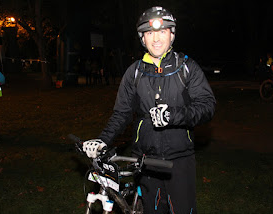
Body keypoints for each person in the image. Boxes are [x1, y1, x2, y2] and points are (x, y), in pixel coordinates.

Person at [82, 6, 216, 214]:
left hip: (179, 162)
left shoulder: (187, 68)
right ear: (142, 38)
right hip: (144, 161)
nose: (156, 39)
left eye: (162, 31)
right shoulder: (134, 72)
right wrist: (103, 140)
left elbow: (207, 106)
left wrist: (173, 115)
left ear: (172, 36)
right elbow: (122, 113)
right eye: (150, 32)